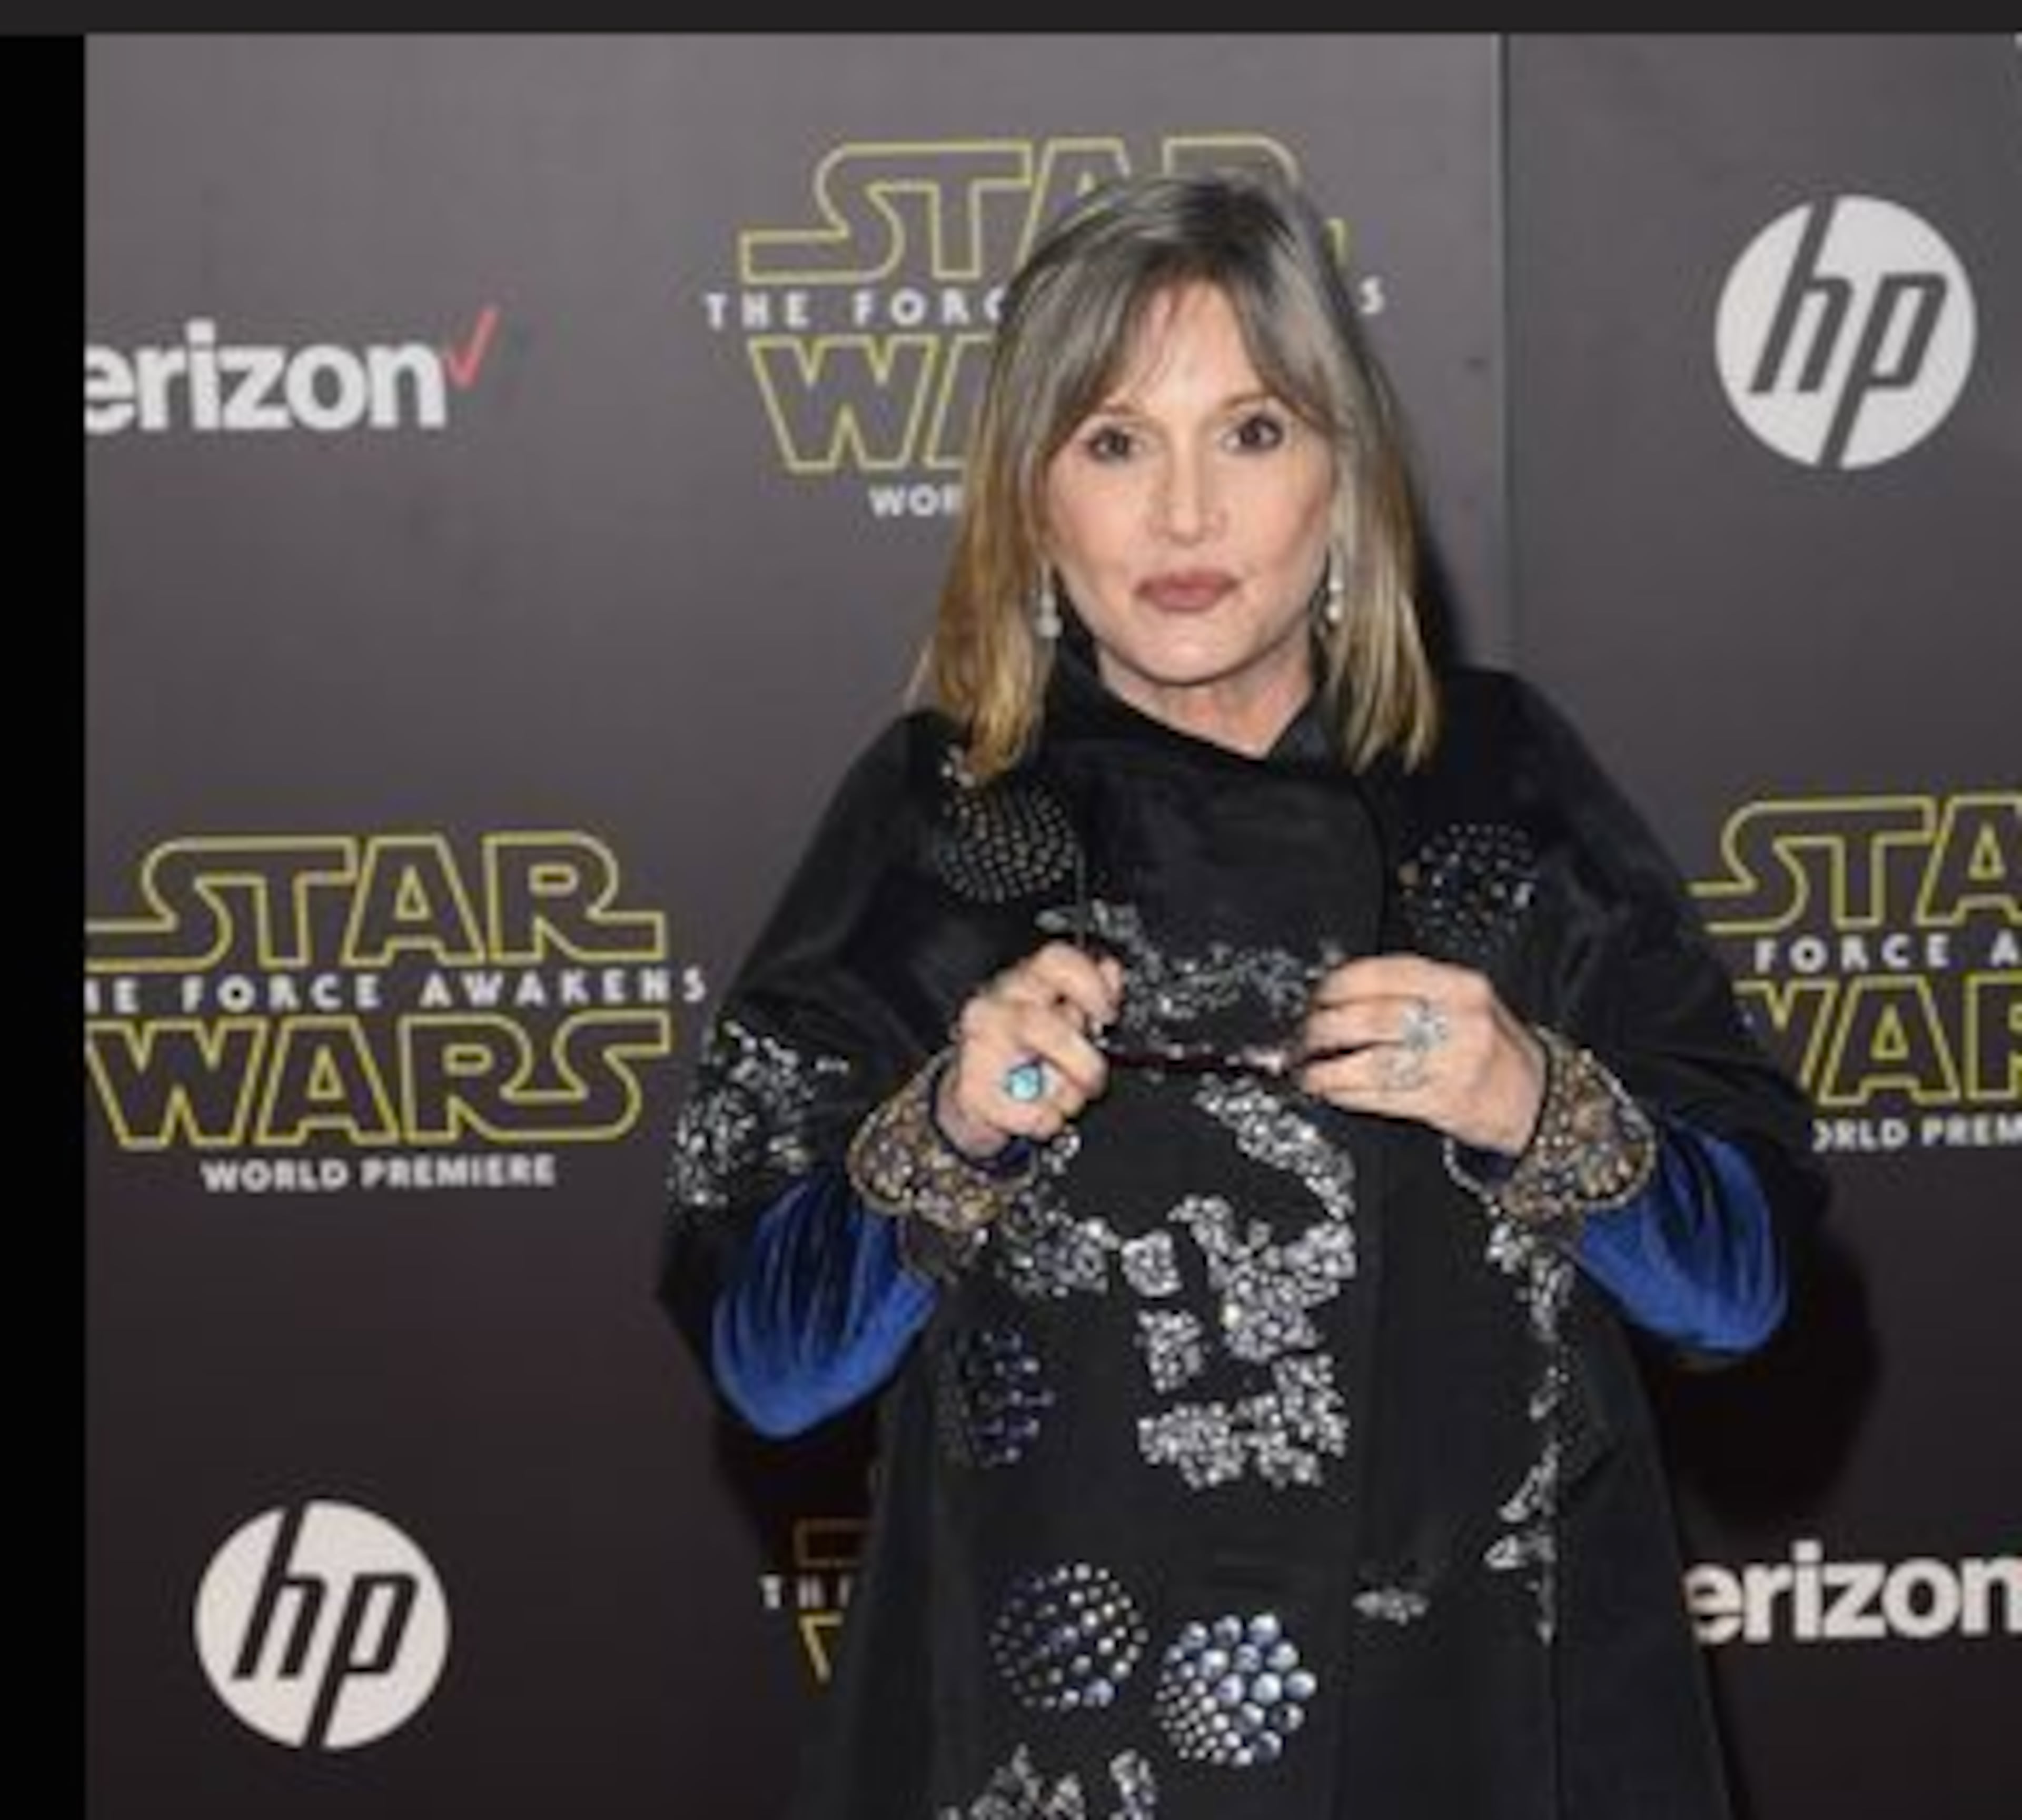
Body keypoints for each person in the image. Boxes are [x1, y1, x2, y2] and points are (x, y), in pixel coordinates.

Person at [660, 167, 1823, 1820]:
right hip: (1068, 1745)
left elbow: (1748, 1285)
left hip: (1492, 1722)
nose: (1187, 515)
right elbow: (771, 1365)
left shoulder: (1502, 783)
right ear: (1031, 497)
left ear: (1344, 477)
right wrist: (947, 1131)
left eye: (1255, 433)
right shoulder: (940, 820)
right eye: (1117, 441)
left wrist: (1533, 1105)